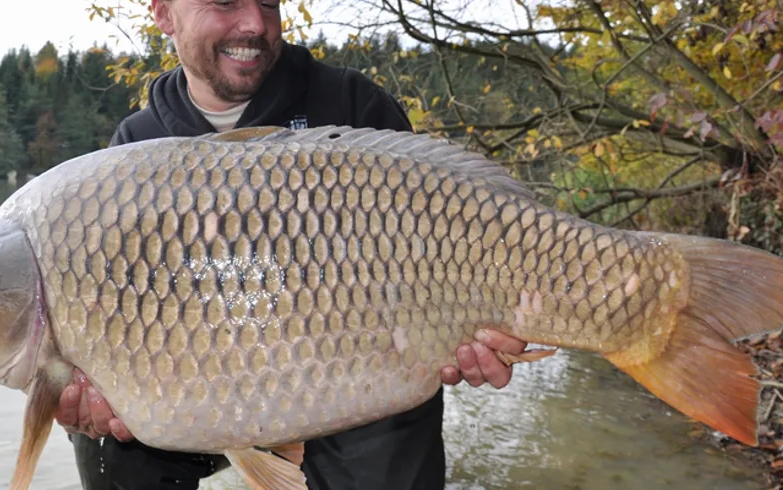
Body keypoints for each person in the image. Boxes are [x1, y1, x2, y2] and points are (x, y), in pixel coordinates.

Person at [54, 0, 529, 488]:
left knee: (392, 428)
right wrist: (83, 386)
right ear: (164, 14)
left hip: (346, 383)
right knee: (107, 435)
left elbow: (449, 252)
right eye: (225, 2)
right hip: (195, 393)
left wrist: (479, 325)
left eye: (268, 3)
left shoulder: (353, 106)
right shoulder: (136, 146)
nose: (255, 24)